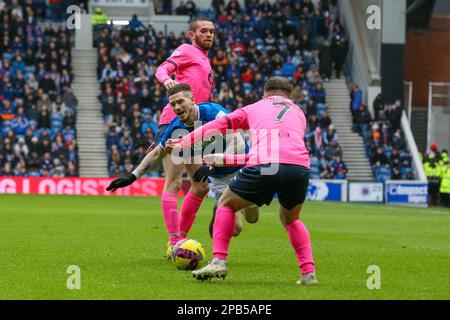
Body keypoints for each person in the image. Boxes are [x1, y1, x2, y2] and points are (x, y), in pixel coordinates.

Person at [166, 77, 317, 285]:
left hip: (263, 164)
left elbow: (218, 126)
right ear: (289, 95)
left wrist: (184, 141)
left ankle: (218, 261)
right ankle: (308, 273)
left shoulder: (253, 108)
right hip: (299, 167)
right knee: (291, 219)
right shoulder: (299, 113)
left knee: (226, 204)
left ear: (265, 93)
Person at [106, 84, 258, 251]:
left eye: (180, 102)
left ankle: (234, 204)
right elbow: (157, 153)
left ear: (192, 100)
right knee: (235, 230)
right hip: (219, 177)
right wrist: (133, 176)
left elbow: (237, 141)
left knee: (252, 218)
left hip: (242, 167)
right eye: (173, 104)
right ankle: (219, 209)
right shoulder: (176, 127)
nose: (177, 107)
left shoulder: (215, 113)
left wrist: (215, 163)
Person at [151, 17, 216, 255]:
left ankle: (182, 239)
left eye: (211, 31)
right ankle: (173, 242)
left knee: (200, 187)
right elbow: (162, 69)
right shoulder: (187, 50)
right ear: (192, 35)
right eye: (203, 31)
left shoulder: (205, 60)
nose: (209, 34)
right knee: (175, 182)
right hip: (174, 122)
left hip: (196, 126)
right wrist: (168, 81)